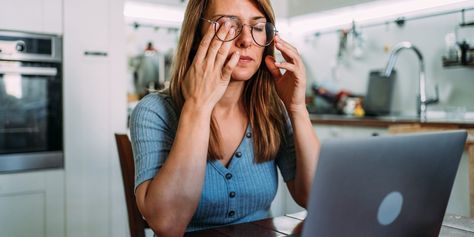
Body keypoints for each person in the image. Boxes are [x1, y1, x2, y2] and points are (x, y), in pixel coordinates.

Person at [130, 0, 320, 236]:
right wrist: (197, 106)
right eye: (228, 26)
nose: (246, 40)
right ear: (197, 36)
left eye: (258, 27)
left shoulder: (273, 109)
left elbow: (315, 199)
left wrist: (297, 107)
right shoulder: (154, 111)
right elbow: (168, 225)